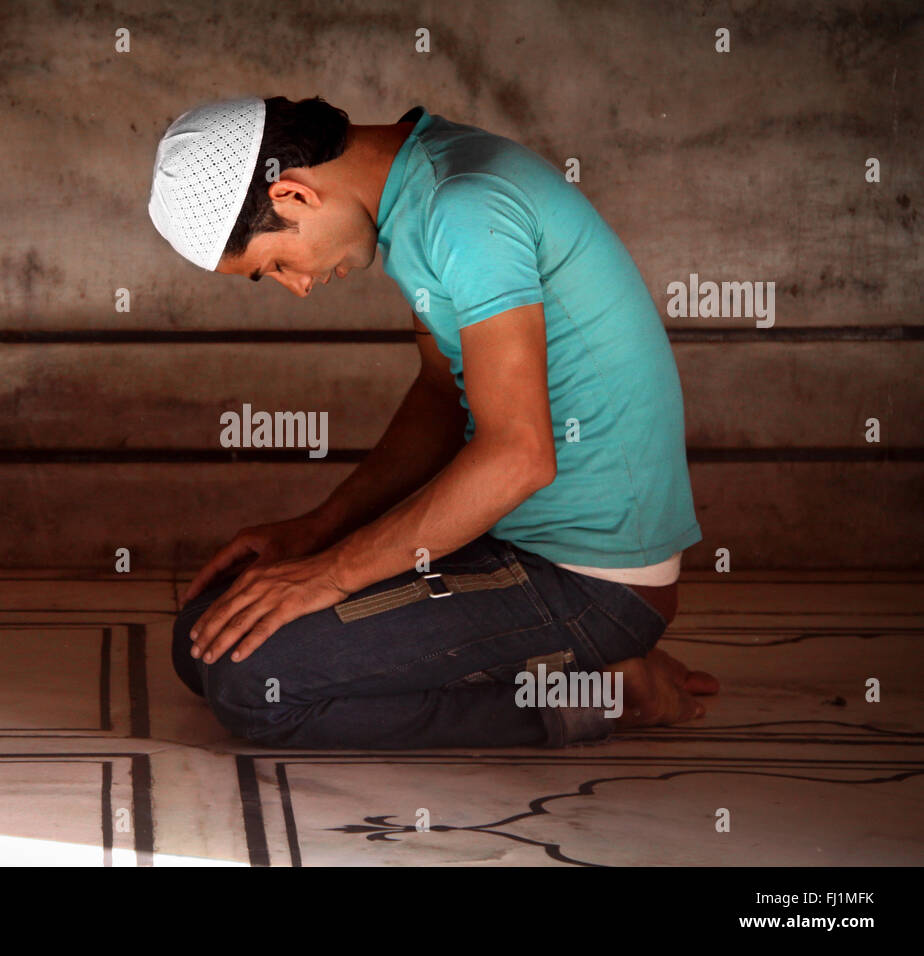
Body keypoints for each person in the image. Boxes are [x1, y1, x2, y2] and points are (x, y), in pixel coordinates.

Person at [147, 95, 718, 748]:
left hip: (595, 587)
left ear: (294, 195)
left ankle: (603, 695)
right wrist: (319, 531)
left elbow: (519, 455)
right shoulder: (420, 188)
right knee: (203, 636)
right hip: (511, 544)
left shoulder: (464, 207)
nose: (298, 286)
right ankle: (553, 666)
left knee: (256, 690)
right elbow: (443, 396)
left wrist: (331, 572)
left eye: (275, 264)